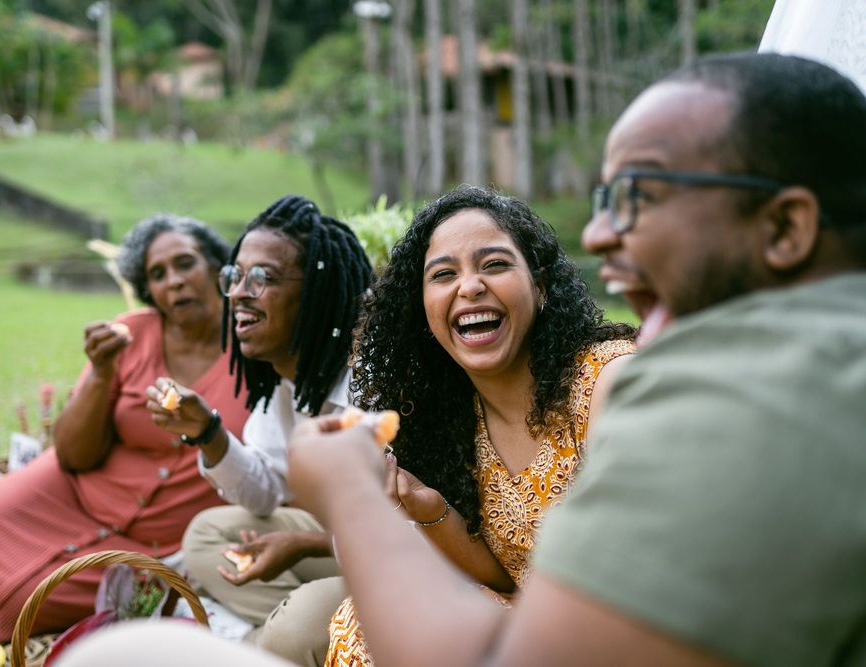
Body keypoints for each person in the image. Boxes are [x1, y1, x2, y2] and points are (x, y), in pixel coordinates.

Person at [56, 53, 866, 667]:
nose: (599, 236)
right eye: (441, 274)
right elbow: (503, 566)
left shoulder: (644, 384)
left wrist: (351, 500)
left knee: (123, 653)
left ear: (787, 229)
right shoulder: (456, 414)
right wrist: (408, 498)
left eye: (640, 197)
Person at [325, 185, 635, 665]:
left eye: (494, 265)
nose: (469, 286)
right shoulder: (448, 420)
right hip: (537, 630)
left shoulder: (608, 382)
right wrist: (423, 504)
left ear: (541, 284)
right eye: (444, 274)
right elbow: (506, 578)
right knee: (365, 619)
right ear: (424, 312)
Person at [0, 214, 250, 636]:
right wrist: (100, 373)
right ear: (148, 290)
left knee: (23, 602)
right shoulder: (130, 334)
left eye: (185, 264)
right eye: (158, 274)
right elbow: (72, 454)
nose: (174, 282)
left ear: (218, 268)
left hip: (161, 544)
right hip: (70, 494)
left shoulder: (253, 348)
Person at [145, 194, 374, 666]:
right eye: (235, 276)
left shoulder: (374, 386)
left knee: (295, 629)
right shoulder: (288, 386)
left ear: (314, 291)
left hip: (409, 564)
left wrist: (305, 544)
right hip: (348, 552)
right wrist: (207, 431)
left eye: (262, 277)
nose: (238, 293)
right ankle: (292, 638)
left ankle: (280, 641)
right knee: (208, 536)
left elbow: (413, 529)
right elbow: (264, 491)